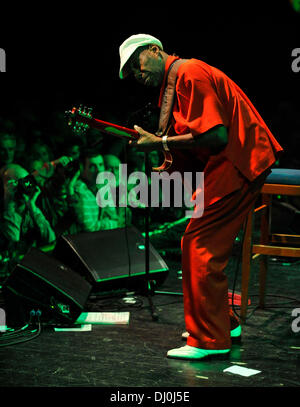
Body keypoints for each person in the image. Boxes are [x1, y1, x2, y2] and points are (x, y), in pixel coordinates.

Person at [118, 34, 283, 360]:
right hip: (234, 162)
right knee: (197, 243)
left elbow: (216, 135)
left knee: (199, 245)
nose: (138, 74)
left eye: (137, 62)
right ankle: (223, 323)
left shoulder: (189, 73)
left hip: (238, 163)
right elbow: (193, 139)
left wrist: (161, 142)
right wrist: (161, 150)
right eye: (132, 74)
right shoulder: (176, 80)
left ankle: (209, 340)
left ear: (155, 50)